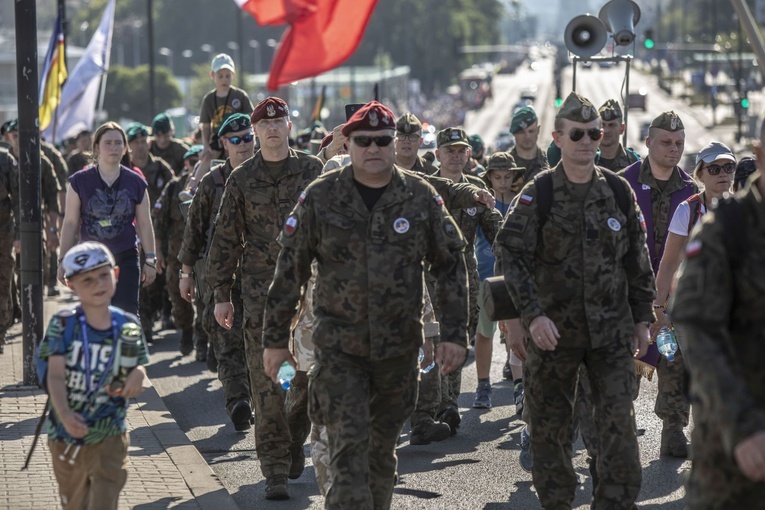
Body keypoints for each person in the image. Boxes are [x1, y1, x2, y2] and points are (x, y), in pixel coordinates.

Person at [261, 100, 469, 509]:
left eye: (382, 140)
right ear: (348, 144)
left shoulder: (419, 196)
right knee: (347, 455)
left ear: (394, 144)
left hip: (397, 356)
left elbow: (449, 265)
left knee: (379, 458)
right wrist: (275, 340)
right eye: (363, 141)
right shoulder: (321, 196)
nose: (373, 148)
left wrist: (452, 335)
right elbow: (290, 271)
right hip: (339, 354)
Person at [496, 92, 655, 509]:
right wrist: (530, 316)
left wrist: (643, 318)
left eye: (593, 133)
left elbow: (637, 261)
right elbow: (510, 251)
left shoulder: (619, 192)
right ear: (559, 138)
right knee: (550, 430)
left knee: (618, 428)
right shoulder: (540, 192)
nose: (587, 141)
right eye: (577, 134)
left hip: (611, 334)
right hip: (554, 336)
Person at [205, 97, 319, 500]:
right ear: (255, 131)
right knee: (268, 382)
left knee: (303, 379)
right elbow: (225, 240)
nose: (272, 129)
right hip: (260, 296)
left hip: (307, 297)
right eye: (264, 124)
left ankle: (293, 438)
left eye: (279, 122)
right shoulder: (241, 180)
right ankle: (274, 470)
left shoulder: (313, 171)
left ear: (289, 126)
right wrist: (221, 294)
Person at [670, 126, 765, 509]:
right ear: (760, 155)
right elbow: (699, 333)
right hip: (738, 450)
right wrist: (742, 429)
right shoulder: (727, 230)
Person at [37, 241, 149, 510]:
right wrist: (64, 414)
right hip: (65, 438)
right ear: (71, 285)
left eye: (103, 274)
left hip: (110, 435)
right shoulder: (63, 324)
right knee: (75, 504)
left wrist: (138, 377)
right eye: (87, 280)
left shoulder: (128, 325)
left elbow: (138, 369)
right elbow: (54, 376)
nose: (98, 284)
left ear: (116, 274)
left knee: (104, 503)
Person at [619, 110, 697, 458]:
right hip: (629, 291)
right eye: (666, 142)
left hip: (675, 294)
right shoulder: (623, 184)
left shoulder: (692, 190)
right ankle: (616, 431)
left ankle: (674, 431)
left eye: (679, 143)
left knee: (674, 362)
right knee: (624, 363)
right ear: (648, 142)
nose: (674, 149)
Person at [177, 116, 254, 431]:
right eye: (235, 140)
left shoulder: (269, 175)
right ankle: (238, 400)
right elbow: (194, 232)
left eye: (247, 137)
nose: (243, 144)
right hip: (220, 274)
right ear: (224, 144)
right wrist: (185, 273)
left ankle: (268, 397)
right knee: (225, 339)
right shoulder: (212, 182)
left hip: (262, 274)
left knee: (261, 340)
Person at [433, 127, 501, 416]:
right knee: (434, 337)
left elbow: (495, 228)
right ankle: (438, 404)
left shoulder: (476, 188)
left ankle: (448, 401)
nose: (456, 156)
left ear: (469, 154)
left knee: (459, 335)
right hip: (431, 275)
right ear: (437, 154)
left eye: (461, 151)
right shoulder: (426, 185)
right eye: (450, 151)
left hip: (466, 275)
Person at [58, 122, 157, 316]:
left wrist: (151, 260)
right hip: (90, 258)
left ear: (125, 147)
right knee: (93, 313)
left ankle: (127, 347)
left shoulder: (136, 182)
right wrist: (62, 260)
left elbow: (145, 224)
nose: (113, 147)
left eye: (118, 143)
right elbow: (70, 223)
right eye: (108, 142)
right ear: (96, 147)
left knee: (127, 314)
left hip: (126, 255)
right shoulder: (79, 181)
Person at [653, 141, 735, 341]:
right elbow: (669, 263)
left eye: (729, 167)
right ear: (700, 175)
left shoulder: (746, 209)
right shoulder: (687, 211)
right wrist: (657, 308)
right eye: (714, 169)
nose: (723, 174)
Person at [474, 152, 524, 410]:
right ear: (489, 177)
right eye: (497, 176)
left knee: (514, 332)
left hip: (513, 279)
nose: (502, 181)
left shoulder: (520, 203)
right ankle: (483, 385)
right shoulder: (482, 203)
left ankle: (519, 385)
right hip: (487, 276)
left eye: (507, 176)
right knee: (485, 332)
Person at [154, 144, 204, 357]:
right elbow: (159, 220)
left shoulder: (209, 184)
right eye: (192, 163)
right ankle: (186, 329)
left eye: (199, 163)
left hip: (203, 257)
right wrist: (157, 251)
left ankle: (202, 338)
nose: (195, 168)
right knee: (177, 294)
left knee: (204, 300)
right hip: (177, 255)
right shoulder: (174, 188)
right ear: (186, 164)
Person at [126, 123, 175, 343]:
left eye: (143, 141)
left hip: (159, 231)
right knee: (140, 285)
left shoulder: (161, 168)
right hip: (133, 234)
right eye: (135, 142)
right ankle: (145, 329)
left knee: (159, 281)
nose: (140, 146)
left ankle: (161, 313)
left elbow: (173, 196)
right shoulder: (124, 169)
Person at [188, 53, 254, 196]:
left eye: (227, 75)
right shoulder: (209, 99)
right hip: (219, 138)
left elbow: (251, 118)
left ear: (233, 75)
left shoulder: (240, 96)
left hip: (238, 136)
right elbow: (205, 126)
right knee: (206, 157)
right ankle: (194, 187)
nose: (224, 79)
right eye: (220, 76)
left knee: (247, 154)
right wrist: (205, 146)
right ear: (212, 75)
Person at [0, 144, 18, 354]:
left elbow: (19, 200)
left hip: (4, 230)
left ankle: (1, 331)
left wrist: (21, 235)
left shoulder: (5, 160)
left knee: (4, 280)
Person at [509, 106, 549, 186]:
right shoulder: (504, 165)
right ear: (514, 134)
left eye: (531, 131)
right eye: (522, 132)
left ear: (538, 130)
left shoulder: (549, 162)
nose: (527, 136)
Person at [597, 99, 640, 172]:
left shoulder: (633, 161)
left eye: (612, 125)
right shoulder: (587, 158)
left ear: (622, 128)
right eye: (602, 125)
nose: (606, 130)